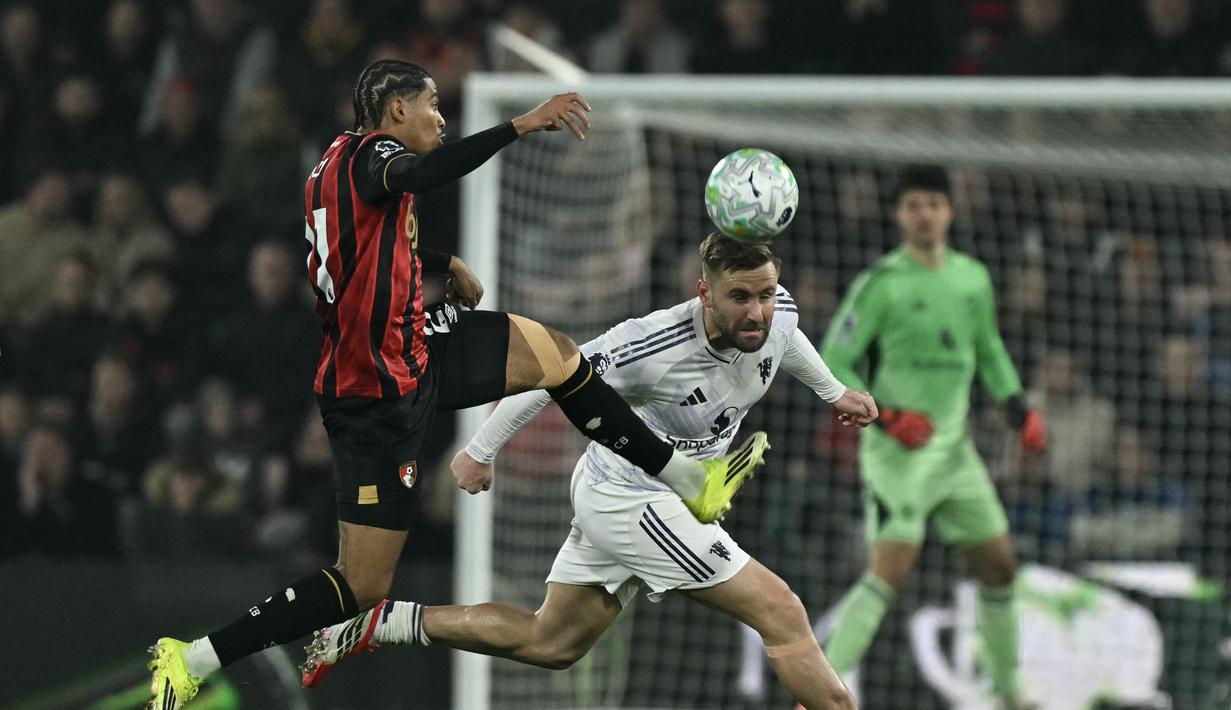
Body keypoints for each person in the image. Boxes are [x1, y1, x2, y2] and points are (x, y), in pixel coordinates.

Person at [145, 58, 758, 709]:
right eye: (432, 105)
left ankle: (687, 478)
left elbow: (349, 253)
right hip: (377, 398)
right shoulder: (377, 155)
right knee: (360, 583)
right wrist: (519, 125)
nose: (441, 117)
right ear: (396, 111)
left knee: (556, 356)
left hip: (415, 345)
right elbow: (419, 172)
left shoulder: (330, 163)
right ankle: (197, 657)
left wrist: (438, 262)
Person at [300, 234, 876, 710]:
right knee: (782, 611)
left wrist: (834, 391)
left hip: (665, 492)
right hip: (630, 496)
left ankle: (382, 623)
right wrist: (480, 449)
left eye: (766, 295)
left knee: (551, 642)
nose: (756, 312)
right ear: (704, 292)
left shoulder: (777, 316)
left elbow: (787, 339)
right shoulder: (650, 345)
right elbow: (551, 372)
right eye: (739, 297)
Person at [818, 164, 1047, 710]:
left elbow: (988, 349)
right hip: (897, 452)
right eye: (913, 204)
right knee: (890, 569)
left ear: (950, 211)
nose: (924, 214)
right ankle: (817, 694)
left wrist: (1018, 408)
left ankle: (1009, 692)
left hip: (954, 452)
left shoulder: (972, 278)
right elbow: (832, 359)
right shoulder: (881, 283)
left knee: (998, 566)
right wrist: (888, 416)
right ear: (899, 215)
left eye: (934, 204)